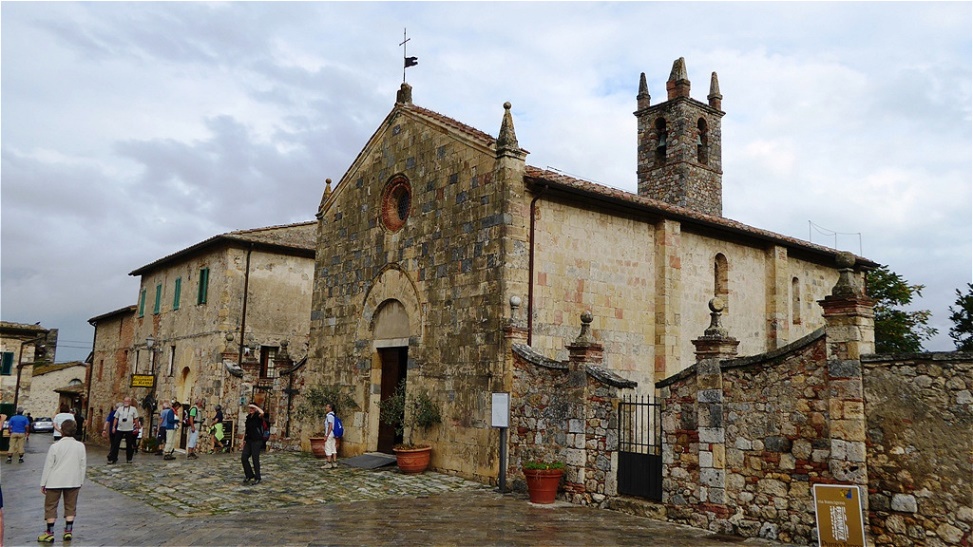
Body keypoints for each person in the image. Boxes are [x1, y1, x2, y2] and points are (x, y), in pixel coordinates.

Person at [38, 419, 86, 543]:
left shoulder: (55, 446)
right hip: (73, 480)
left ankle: (50, 532)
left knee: (51, 506)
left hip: (55, 481)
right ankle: (68, 531)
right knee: (71, 506)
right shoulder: (80, 446)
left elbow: (48, 466)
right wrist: (80, 480)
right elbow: (82, 465)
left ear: (62, 431)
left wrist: (43, 483)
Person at [108, 397, 140, 464]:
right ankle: (113, 458)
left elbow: (136, 418)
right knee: (116, 444)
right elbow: (116, 418)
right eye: (125, 401)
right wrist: (114, 427)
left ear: (130, 402)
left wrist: (137, 427)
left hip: (129, 429)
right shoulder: (119, 409)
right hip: (120, 428)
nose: (126, 402)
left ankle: (129, 458)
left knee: (129, 444)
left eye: (128, 401)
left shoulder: (133, 409)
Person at [241, 403, 264, 485]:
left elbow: (262, 413)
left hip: (256, 440)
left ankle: (258, 477)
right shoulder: (248, 418)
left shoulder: (258, 416)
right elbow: (246, 430)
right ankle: (249, 474)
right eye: (250, 408)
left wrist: (256, 407)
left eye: (252, 408)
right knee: (244, 457)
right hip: (249, 440)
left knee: (255, 458)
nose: (251, 409)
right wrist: (243, 440)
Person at [324, 403, 338, 469]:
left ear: (330, 408)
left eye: (327, 407)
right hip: (334, 434)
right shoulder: (334, 416)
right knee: (333, 448)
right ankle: (335, 462)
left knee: (328, 448)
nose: (326, 408)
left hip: (329, 434)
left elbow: (330, 426)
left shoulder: (329, 416)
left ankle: (328, 463)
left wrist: (326, 435)